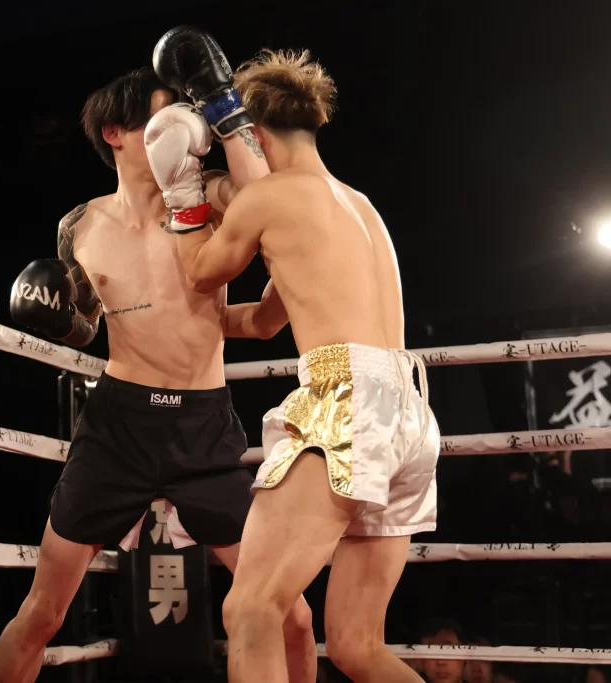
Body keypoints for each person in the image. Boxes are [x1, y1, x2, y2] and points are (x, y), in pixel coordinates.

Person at [0, 65, 317, 683]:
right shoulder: (78, 227)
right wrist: (61, 323)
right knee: (43, 613)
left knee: (292, 616)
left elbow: (271, 197)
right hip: (117, 428)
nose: (181, 128)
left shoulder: (211, 198)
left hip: (202, 428)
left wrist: (226, 113)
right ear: (114, 132)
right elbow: (88, 325)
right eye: (162, 116)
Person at [145, 27, 441, 683]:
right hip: (407, 413)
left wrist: (183, 192)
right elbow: (261, 320)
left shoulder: (269, 198)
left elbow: (200, 270)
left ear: (252, 132)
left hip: (347, 402)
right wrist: (172, 328)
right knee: (360, 647)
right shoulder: (360, 206)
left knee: (251, 608)